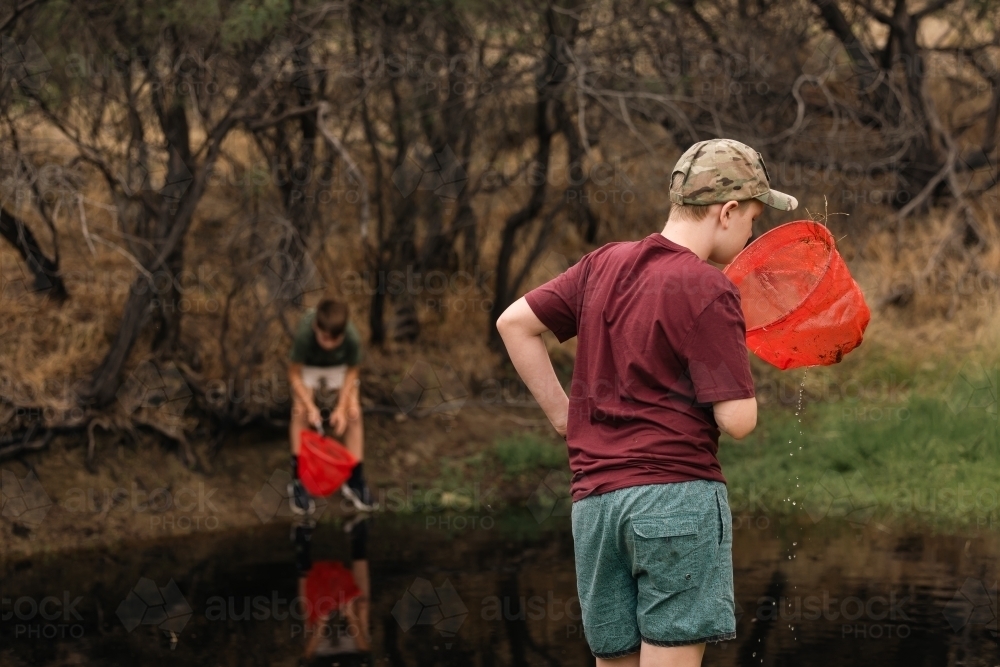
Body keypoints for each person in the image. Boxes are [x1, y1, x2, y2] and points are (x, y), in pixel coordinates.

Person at [497, 138, 798, 667]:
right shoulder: (708, 288)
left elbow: (515, 324)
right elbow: (738, 419)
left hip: (594, 506)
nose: (754, 233)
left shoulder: (601, 265)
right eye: (753, 218)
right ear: (727, 212)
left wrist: (566, 420)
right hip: (675, 502)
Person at [288, 297, 374, 514]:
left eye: (336, 339)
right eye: (325, 338)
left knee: (354, 414)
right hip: (309, 368)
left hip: (339, 368)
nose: (330, 344)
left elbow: (352, 372)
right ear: (317, 327)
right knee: (300, 412)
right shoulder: (305, 335)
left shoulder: (352, 337)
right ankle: (298, 480)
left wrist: (342, 408)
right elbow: (294, 374)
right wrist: (310, 405)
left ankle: (355, 479)